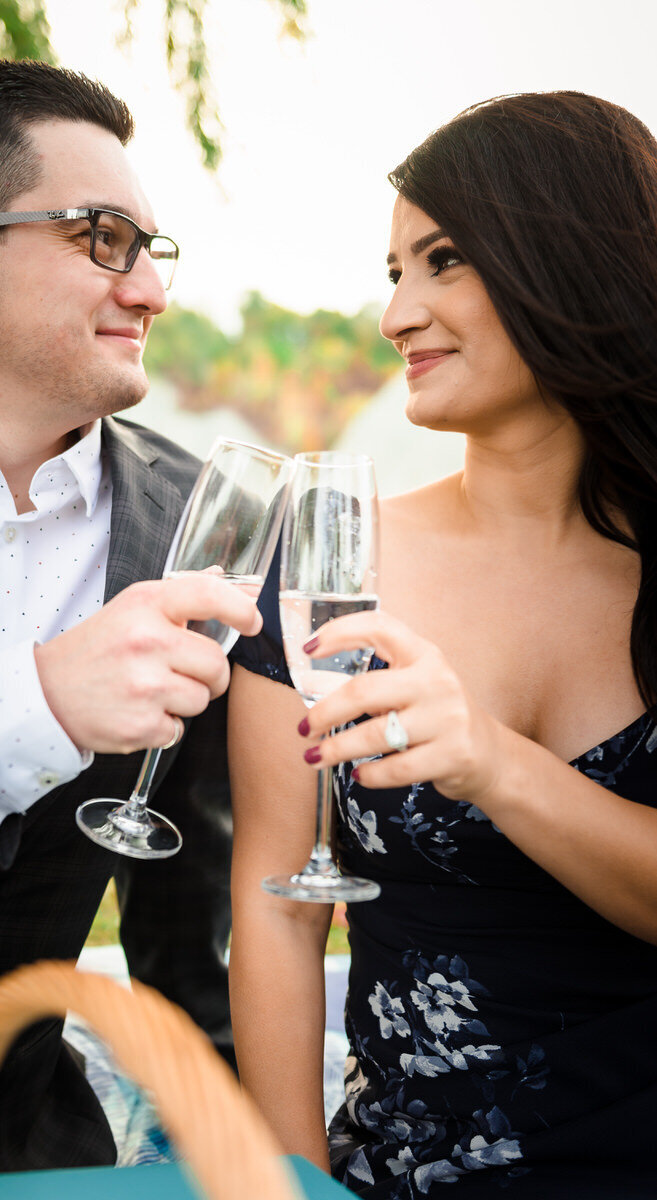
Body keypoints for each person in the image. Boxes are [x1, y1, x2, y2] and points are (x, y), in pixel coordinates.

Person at [229, 91, 657, 1198]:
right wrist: (293, 1185)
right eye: (392, 272)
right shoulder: (329, 560)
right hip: (411, 1174)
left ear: (566, 255)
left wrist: (494, 764)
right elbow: (278, 909)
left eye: (444, 259)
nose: (396, 315)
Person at [0, 58, 261, 1197]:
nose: (148, 292)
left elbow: (192, 910)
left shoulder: (200, 519)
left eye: (150, 251)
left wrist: (243, 1154)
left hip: (30, 1147)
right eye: (101, 239)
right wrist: (32, 706)